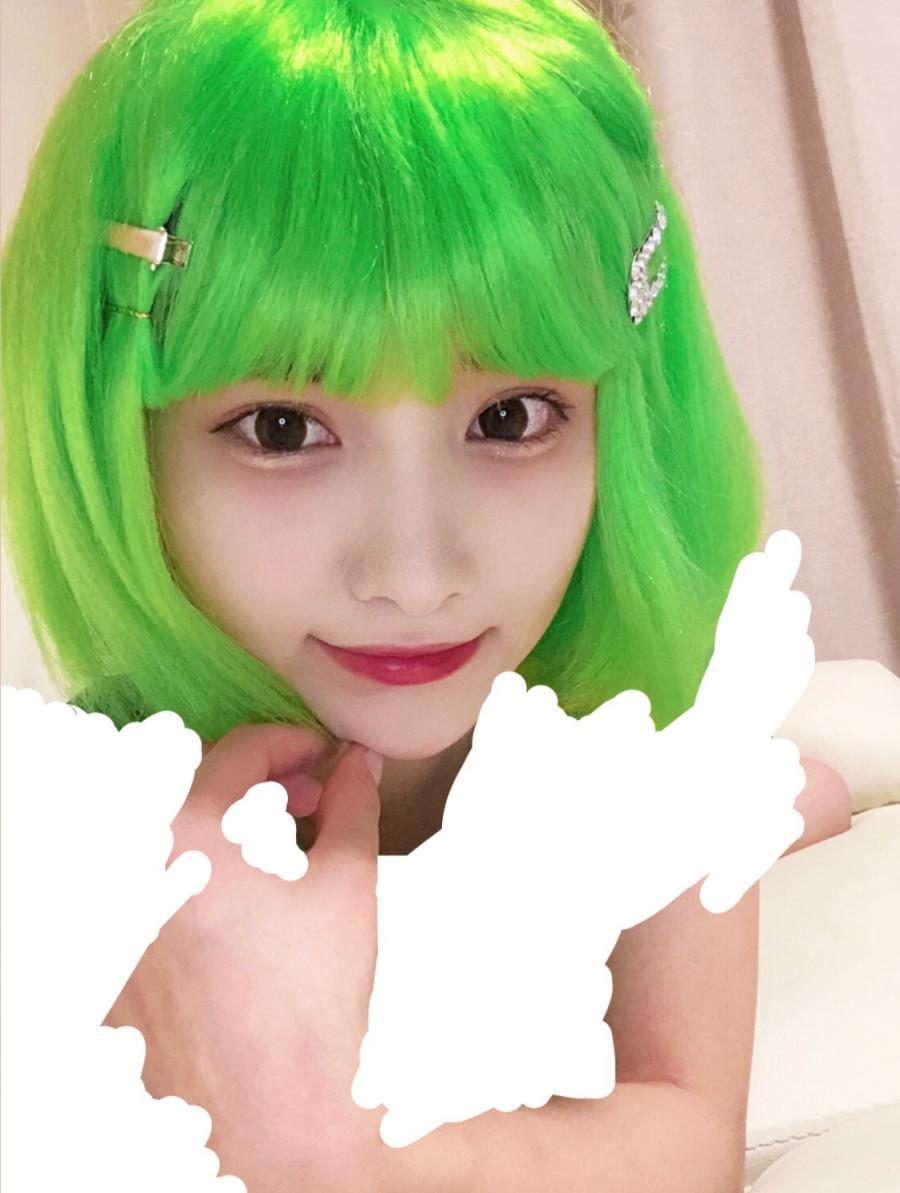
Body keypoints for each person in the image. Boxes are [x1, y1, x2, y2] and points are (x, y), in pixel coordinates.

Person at [0, 0, 851, 1189]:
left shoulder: (644, 757)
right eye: (282, 428)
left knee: (778, 784)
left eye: (511, 417)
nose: (415, 576)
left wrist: (330, 1155)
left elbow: (688, 1132)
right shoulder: (80, 818)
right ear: (120, 444)